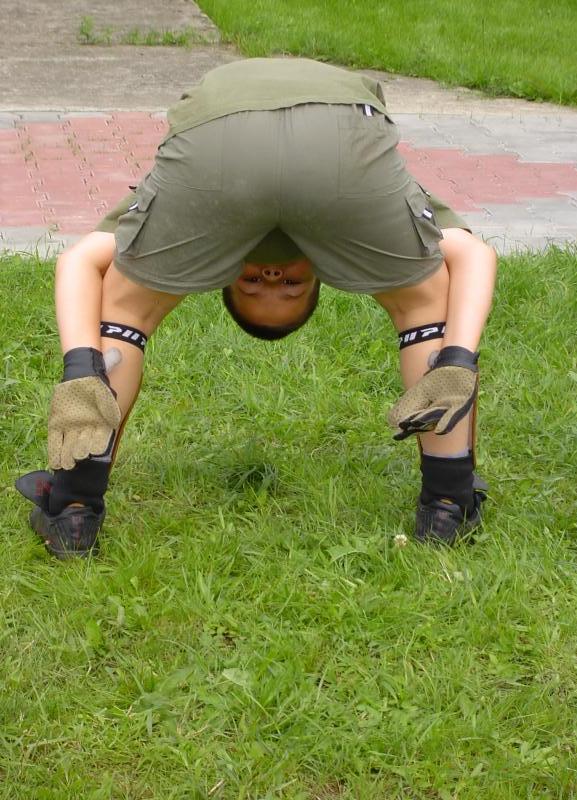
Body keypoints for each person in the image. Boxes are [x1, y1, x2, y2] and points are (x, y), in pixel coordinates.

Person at [16, 58, 497, 559]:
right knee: (425, 305)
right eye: (290, 285)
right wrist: (455, 357)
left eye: (258, 282)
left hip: (222, 137)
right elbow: (474, 255)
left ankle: (73, 511)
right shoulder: (345, 230)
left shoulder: (209, 241)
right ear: (320, 272)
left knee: (125, 311)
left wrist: (84, 368)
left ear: (222, 272)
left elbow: (78, 260)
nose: (271, 276)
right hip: (334, 135)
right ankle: (448, 503)